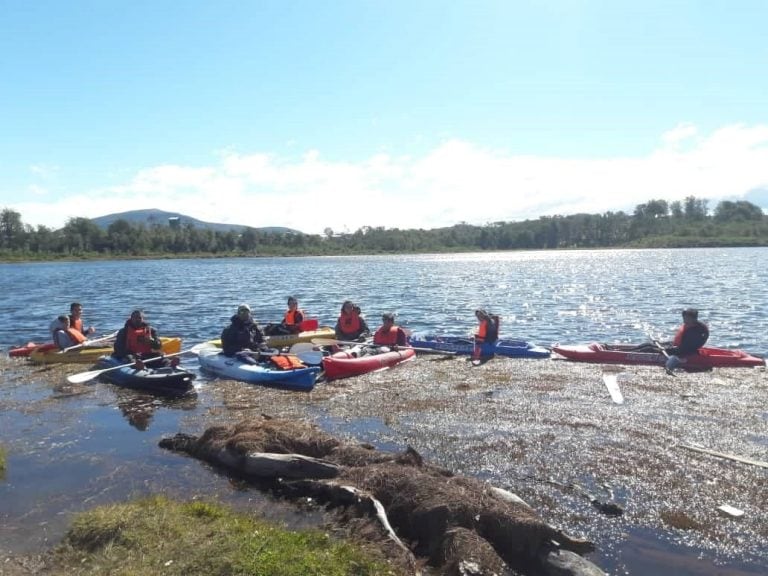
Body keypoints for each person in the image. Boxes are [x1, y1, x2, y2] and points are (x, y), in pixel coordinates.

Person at [664, 308, 709, 374]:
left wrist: (668, 349)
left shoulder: (697, 331)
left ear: (693, 318)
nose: (684, 321)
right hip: (682, 348)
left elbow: (686, 348)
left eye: (686, 318)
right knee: (650, 345)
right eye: (683, 318)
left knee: (651, 349)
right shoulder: (691, 325)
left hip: (687, 352)